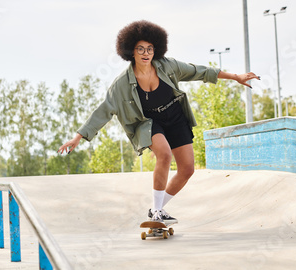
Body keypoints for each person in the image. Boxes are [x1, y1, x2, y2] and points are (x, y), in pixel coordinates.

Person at [57, 20, 260, 223]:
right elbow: (103, 111)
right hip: (149, 123)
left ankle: (158, 209)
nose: (146, 53)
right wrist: (77, 138)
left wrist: (235, 77)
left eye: (150, 49)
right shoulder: (121, 85)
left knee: (187, 169)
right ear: (131, 52)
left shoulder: (168, 66)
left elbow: (199, 71)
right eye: (140, 49)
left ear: (156, 50)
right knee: (164, 154)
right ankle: (156, 212)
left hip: (176, 117)